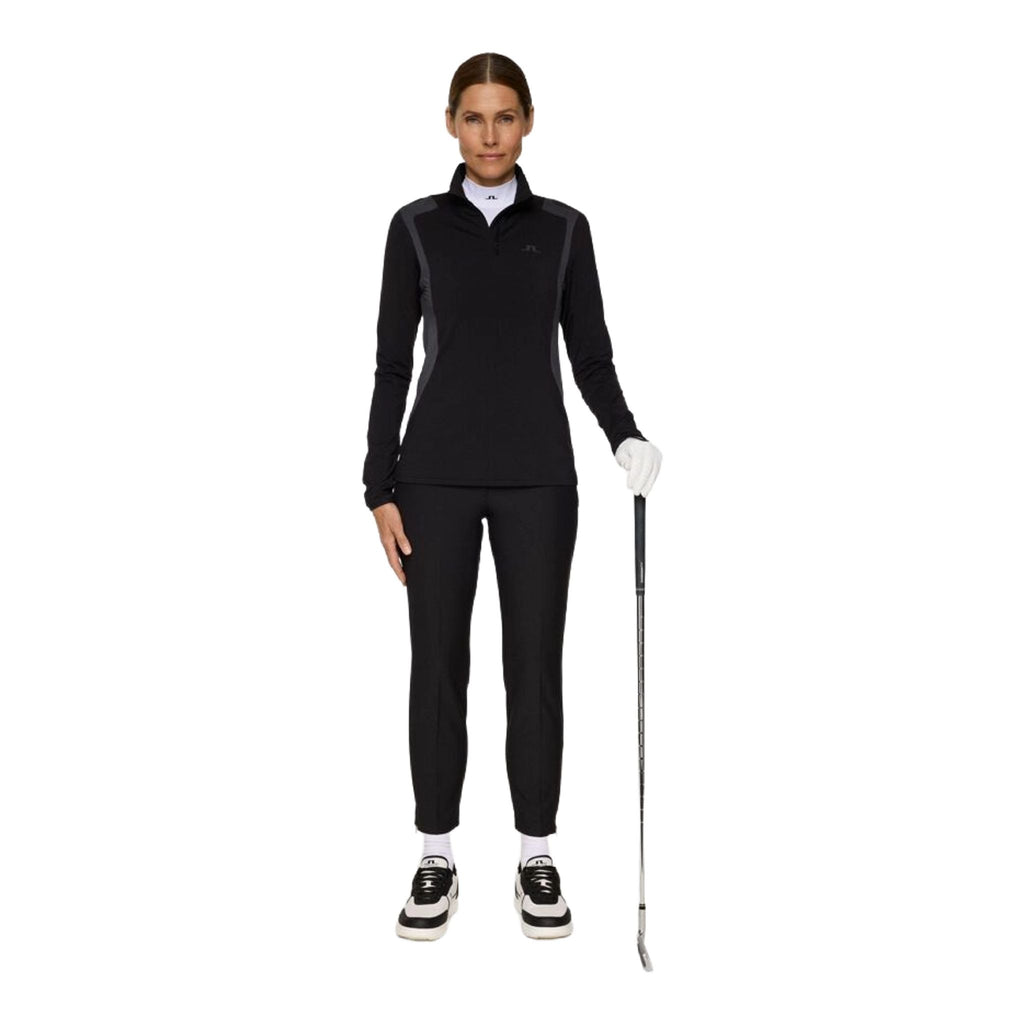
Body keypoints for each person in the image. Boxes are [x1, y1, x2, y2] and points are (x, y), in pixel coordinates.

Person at [362, 53, 662, 942]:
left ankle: (537, 851)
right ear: (450, 123)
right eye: (473, 117)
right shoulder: (415, 227)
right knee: (437, 668)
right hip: (433, 479)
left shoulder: (564, 229)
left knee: (533, 666)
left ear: (528, 121)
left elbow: (590, 353)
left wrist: (625, 435)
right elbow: (390, 363)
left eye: (504, 117)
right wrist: (378, 484)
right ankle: (436, 854)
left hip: (539, 479)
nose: (489, 135)